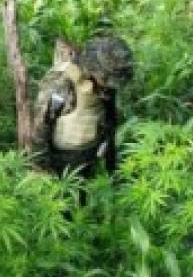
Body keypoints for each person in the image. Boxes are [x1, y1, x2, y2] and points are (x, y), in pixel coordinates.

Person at [32, 34, 135, 177]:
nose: (110, 87)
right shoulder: (60, 84)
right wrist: (42, 171)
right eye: (107, 80)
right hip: (61, 164)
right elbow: (41, 130)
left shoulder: (106, 88)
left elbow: (110, 122)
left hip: (91, 156)